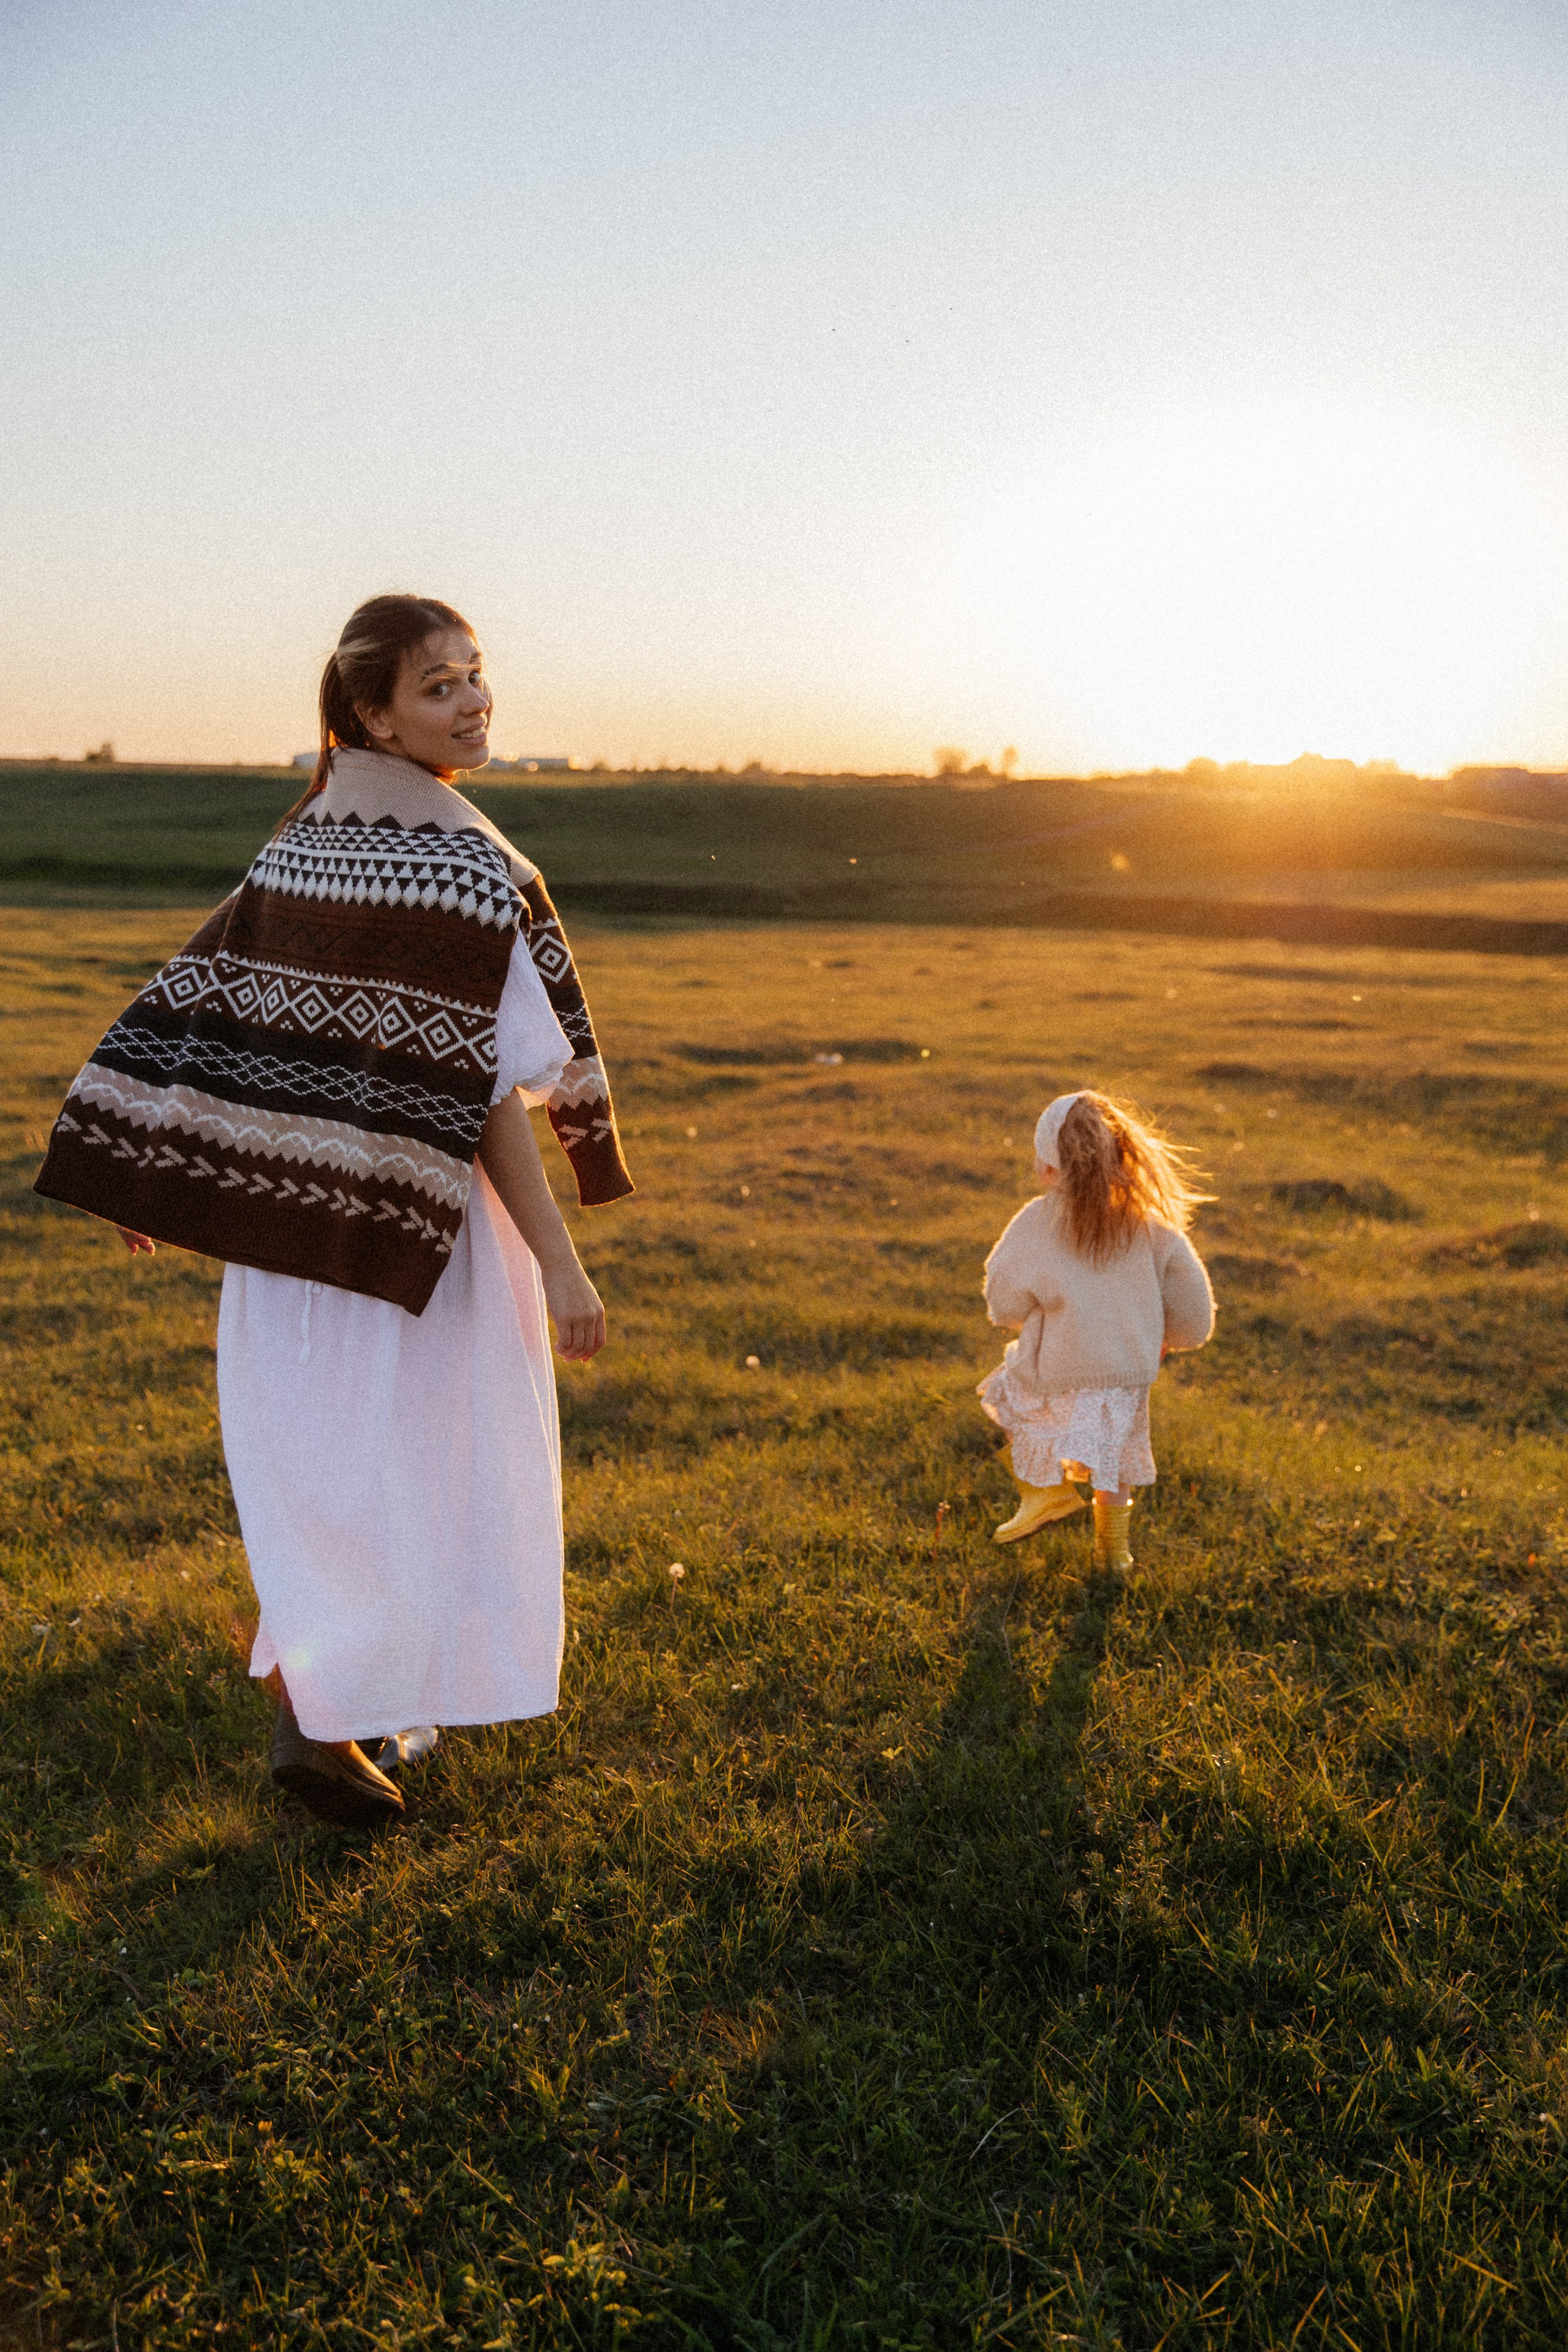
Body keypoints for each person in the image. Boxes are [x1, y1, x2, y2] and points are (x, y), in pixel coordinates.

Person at [35, 595, 633, 1828]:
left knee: (325, 1473)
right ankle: (319, 1722)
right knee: (415, 1473)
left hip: (288, 1236)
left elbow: (196, 1003)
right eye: (436, 686)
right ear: (370, 711)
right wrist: (560, 1262)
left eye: (476, 675)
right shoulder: (466, 869)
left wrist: (143, 1158)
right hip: (419, 1238)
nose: (471, 701)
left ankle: (351, 1713)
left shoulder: (302, 841)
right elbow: (481, 1104)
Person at [978, 1090, 1214, 1569]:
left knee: (1014, 1400)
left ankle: (1044, 1494)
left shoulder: (1036, 1221)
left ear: (1048, 1167)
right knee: (1114, 1459)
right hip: (1125, 1371)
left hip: (1057, 1364)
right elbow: (1193, 1308)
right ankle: (1113, 1554)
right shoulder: (1151, 1227)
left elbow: (1004, 1298)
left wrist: (1022, 1315)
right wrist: (1173, 1337)